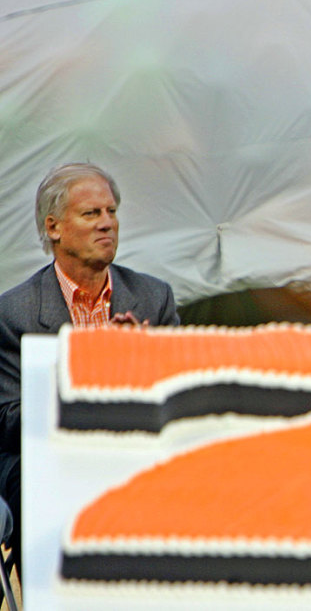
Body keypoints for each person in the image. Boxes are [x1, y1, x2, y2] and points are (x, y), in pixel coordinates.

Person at [0, 163, 180, 576]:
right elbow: (8, 422)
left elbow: (183, 401)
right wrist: (89, 369)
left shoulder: (154, 297)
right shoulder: (13, 312)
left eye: (112, 212)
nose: (107, 224)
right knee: (39, 483)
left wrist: (146, 361)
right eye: (91, 214)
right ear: (54, 227)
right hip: (48, 454)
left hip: (136, 447)